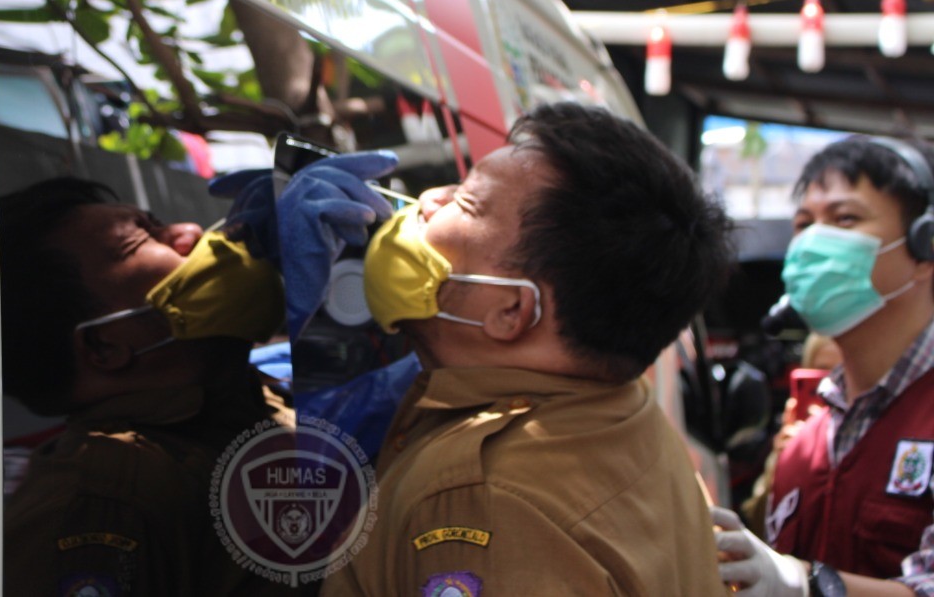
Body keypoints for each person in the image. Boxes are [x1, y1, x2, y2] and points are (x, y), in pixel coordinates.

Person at [319, 102, 735, 596]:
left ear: (513, 311)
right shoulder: (626, 411)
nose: (431, 198)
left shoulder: (484, 501)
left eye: (467, 202)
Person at [0, 176, 302, 597]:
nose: (189, 233)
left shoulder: (247, 399)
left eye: (156, 222)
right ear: (105, 345)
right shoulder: (96, 508)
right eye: (141, 240)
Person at [713, 136, 934, 597]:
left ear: (924, 246)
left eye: (844, 218)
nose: (812, 241)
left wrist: (802, 585)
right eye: (803, 223)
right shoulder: (804, 440)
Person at [739, 334, 842, 529]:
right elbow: (759, 524)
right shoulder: (793, 434)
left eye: (840, 373)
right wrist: (781, 464)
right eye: (821, 374)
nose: (832, 386)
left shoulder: (867, 438)